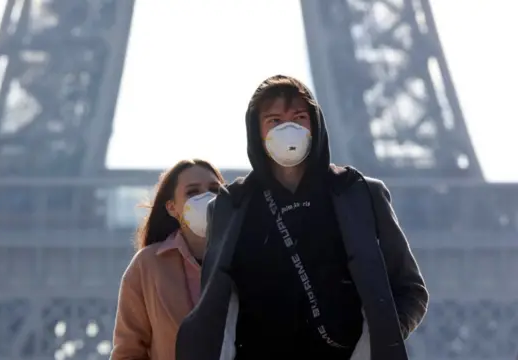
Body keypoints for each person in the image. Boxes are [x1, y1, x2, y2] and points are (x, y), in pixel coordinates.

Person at [175, 75, 429, 360]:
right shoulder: (229, 207)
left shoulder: (361, 194)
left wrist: (380, 340)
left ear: (315, 124)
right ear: (256, 131)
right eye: (274, 120)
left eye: (299, 117)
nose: (288, 128)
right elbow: (216, 307)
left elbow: (410, 290)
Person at [111, 159, 225, 360]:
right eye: (192, 192)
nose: (206, 197)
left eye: (214, 190)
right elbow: (127, 352)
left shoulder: (245, 258)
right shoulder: (146, 266)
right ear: (172, 208)